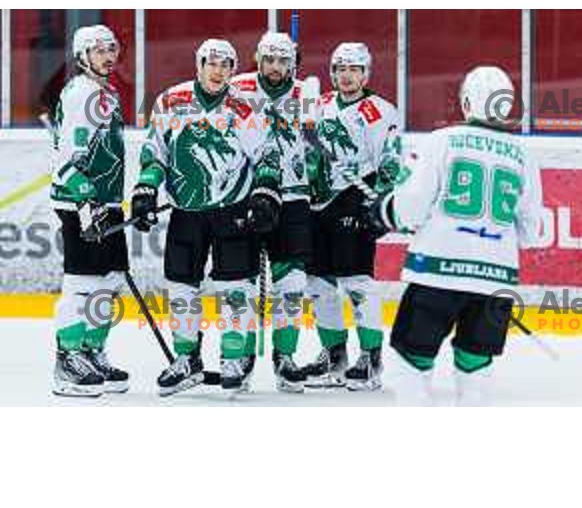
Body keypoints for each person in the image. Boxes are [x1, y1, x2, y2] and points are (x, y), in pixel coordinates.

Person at [372, 65, 544, 405]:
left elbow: (409, 211)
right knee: (476, 372)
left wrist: (383, 209)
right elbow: (530, 233)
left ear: (466, 102)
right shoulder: (525, 154)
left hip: (437, 275)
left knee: (410, 365)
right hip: (495, 282)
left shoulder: (442, 141)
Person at [131, 38, 282, 396]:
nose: (218, 71)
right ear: (198, 65)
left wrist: (264, 193)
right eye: (211, 63)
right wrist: (145, 190)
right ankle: (186, 358)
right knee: (181, 286)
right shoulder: (172, 100)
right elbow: (155, 152)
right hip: (187, 212)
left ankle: (233, 356)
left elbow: (267, 155)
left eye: (226, 64)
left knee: (235, 287)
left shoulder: (245, 107)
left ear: (233, 70)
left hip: (233, 211)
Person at [303, 42, 406, 391]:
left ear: (366, 73)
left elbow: (390, 161)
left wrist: (379, 203)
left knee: (357, 282)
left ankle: (370, 358)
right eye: (340, 68)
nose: (346, 75)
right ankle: (334, 357)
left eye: (354, 69)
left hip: (355, 199)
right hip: (317, 203)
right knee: (318, 284)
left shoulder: (379, 111)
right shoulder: (318, 104)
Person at [230, 31, 311, 393]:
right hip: (245, 195)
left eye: (282, 61)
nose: (275, 68)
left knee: (292, 282)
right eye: (268, 60)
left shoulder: (306, 93)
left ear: (292, 63)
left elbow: (316, 145)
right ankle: (240, 356)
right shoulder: (237, 87)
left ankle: (285, 356)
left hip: (293, 198)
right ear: (258, 59)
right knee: (240, 281)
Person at [51, 24, 129, 397]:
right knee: (82, 284)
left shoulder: (106, 93)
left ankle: (92, 350)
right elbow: (68, 156)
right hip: (80, 201)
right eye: (98, 50)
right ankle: (68, 358)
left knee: (110, 281)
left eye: (111, 48)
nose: (108, 55)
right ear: (82, 56)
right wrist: (85, 200)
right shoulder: (81, 93)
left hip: (106, 201)